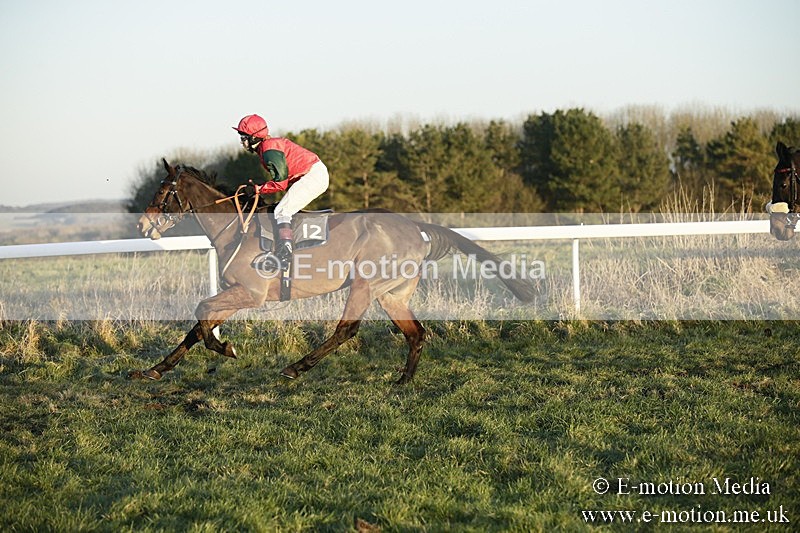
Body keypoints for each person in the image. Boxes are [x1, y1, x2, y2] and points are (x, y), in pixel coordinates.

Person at [233, 114, 329, 269]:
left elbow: (280, 184)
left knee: (282, 211)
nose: (241, 141)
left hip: (313, 176)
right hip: (311, 174)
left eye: (243, 137)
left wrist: (257, 189)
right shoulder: (266, 147)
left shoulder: (269, 149)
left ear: (254, 138)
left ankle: (284, 255)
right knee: (282, 208)